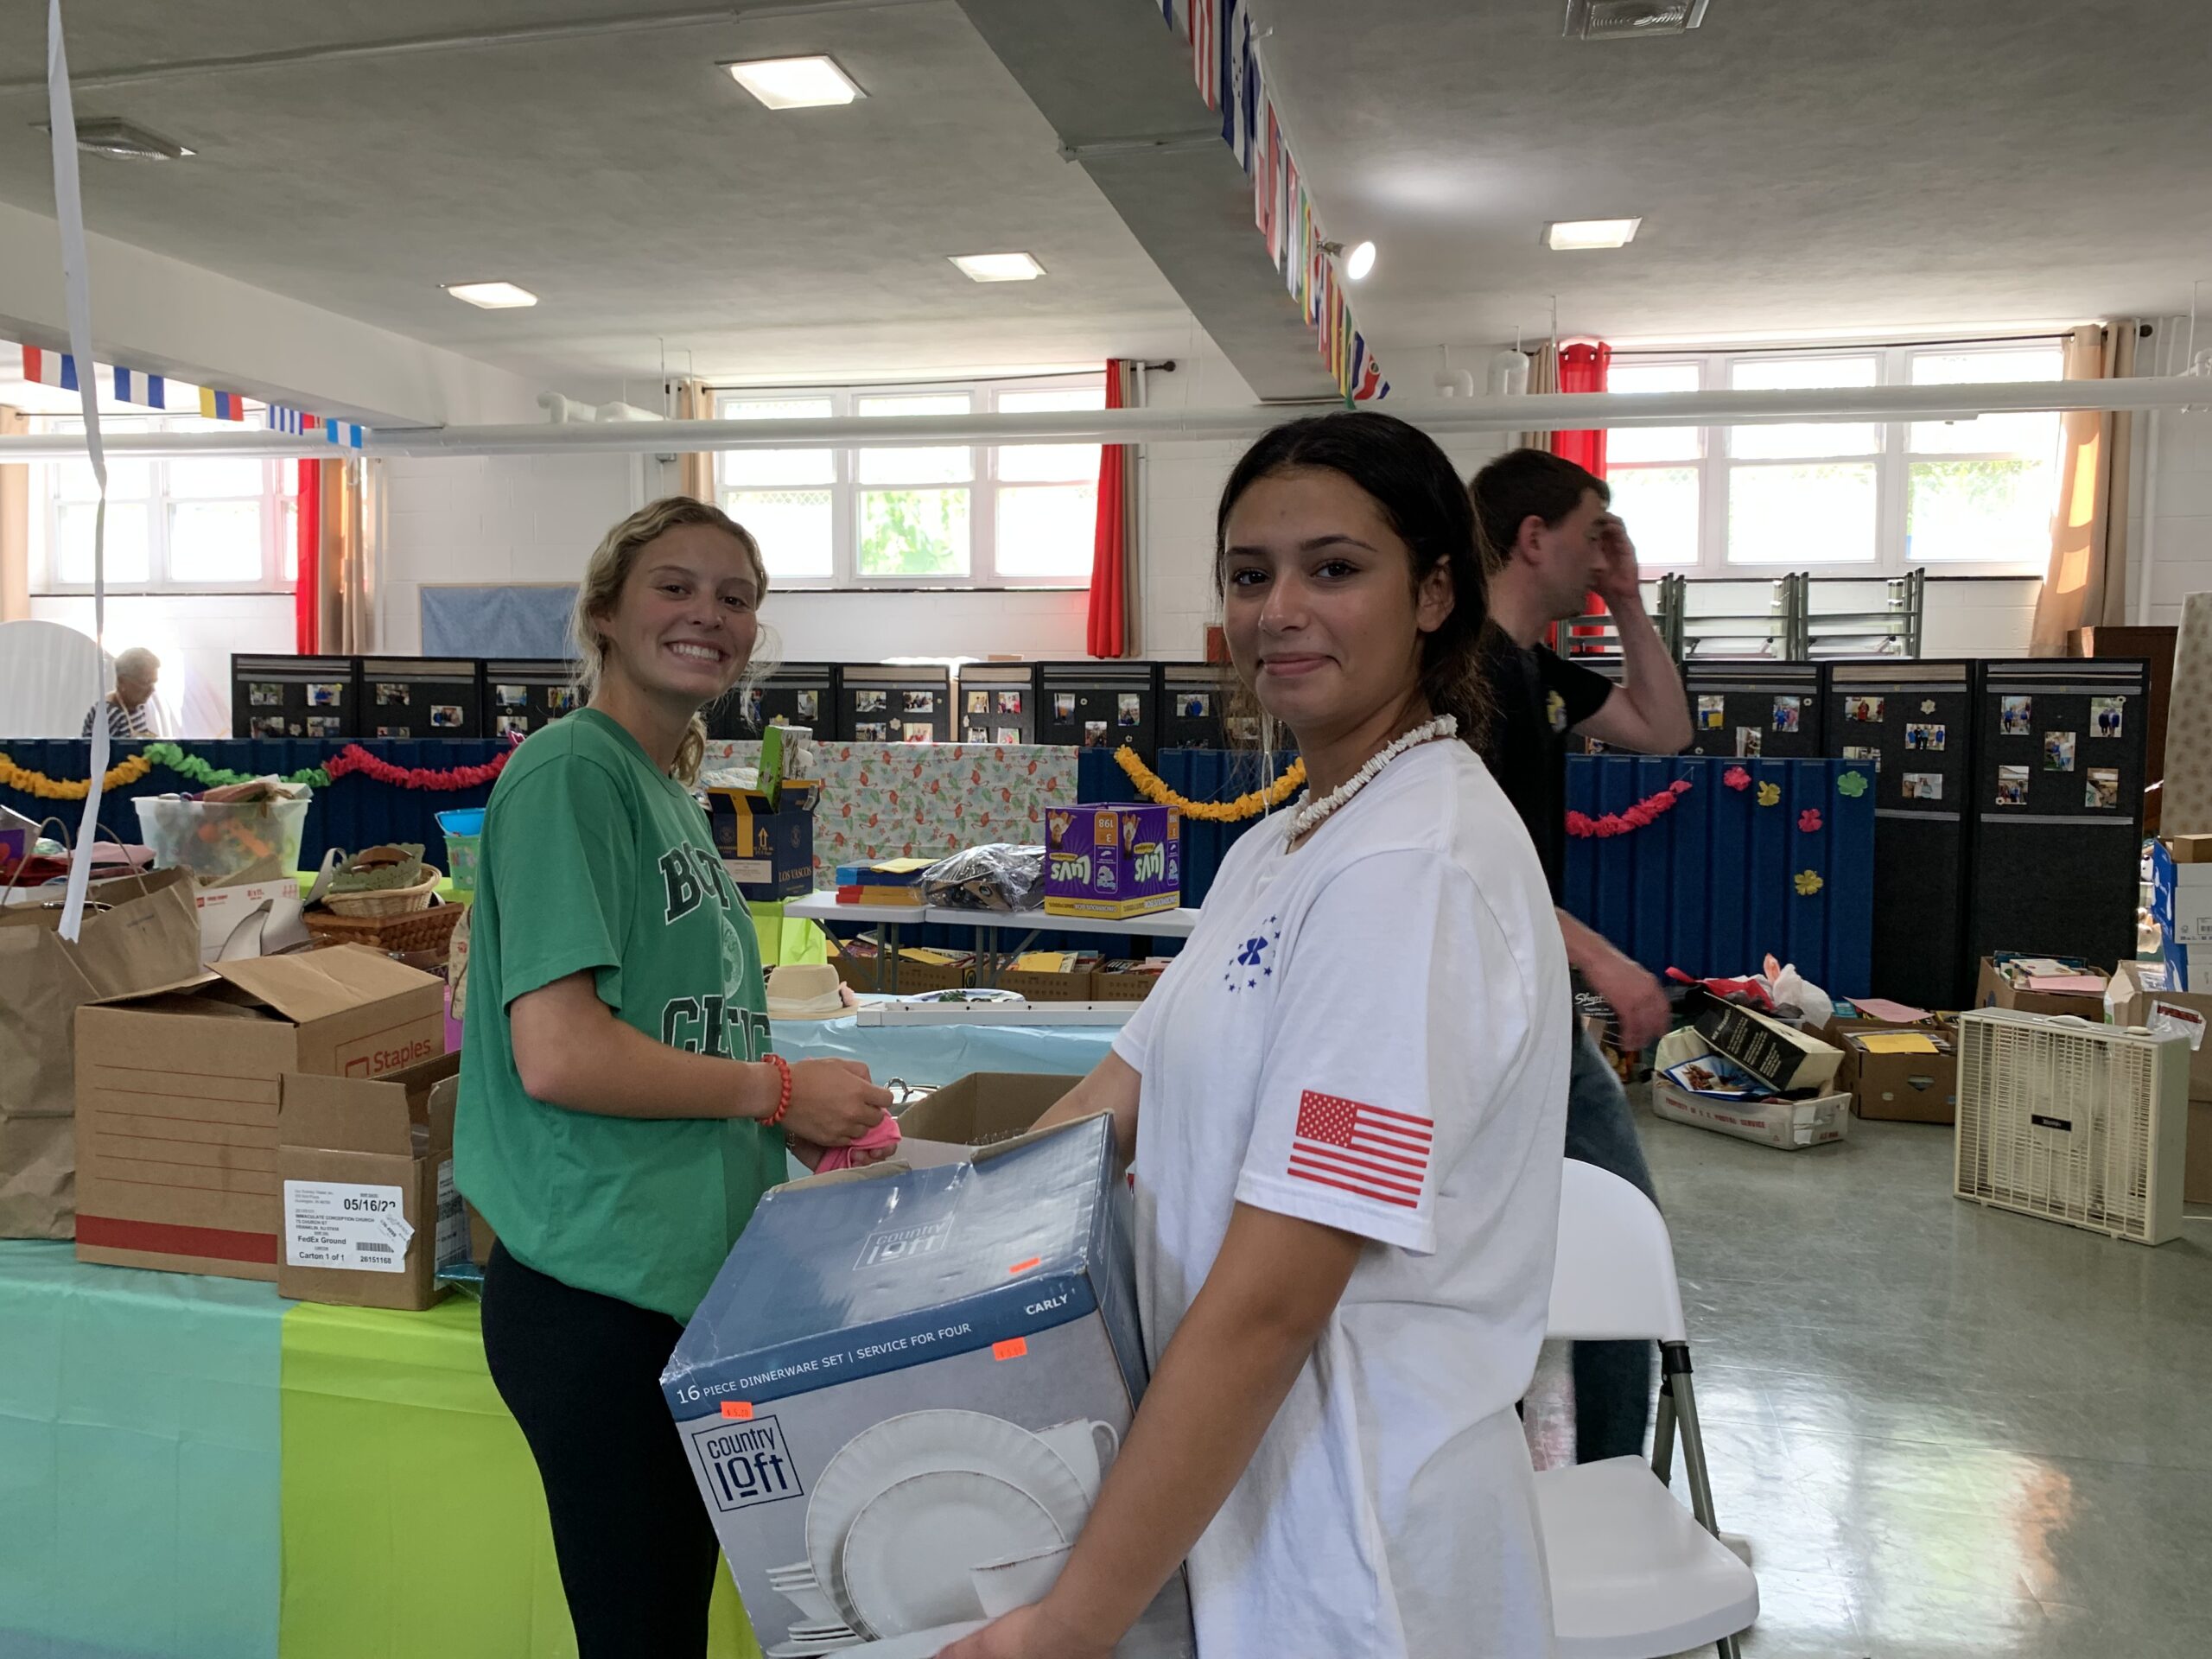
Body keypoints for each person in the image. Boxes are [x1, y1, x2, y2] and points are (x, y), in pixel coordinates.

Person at [942, 412, 1571, 1659]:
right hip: (1240, 1494)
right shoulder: (1285, 845)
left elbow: (1278, 1299)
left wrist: (1073, 1623)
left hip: (1358, 1540)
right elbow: (1116, 1095)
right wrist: (923, 1235)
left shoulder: (1411, 871)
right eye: (1248, 574)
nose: (1279, 610)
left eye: (1334, 569)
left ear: (1434, 592)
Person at [454, 496, 893, 1659]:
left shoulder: (663, 788)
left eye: (734, 597)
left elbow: (669, 1032)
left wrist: (783, 1109)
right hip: (597, 1291)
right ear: (604, 611)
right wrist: (779, 1094)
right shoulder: (570, 774)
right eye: (675, 586)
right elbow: (561, 1052)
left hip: (674, 1281)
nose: (708, 613)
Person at [1468, 447, 1694, 1465]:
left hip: (1532, 1018)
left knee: (1602, 1232)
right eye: (1590, 534)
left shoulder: (1537, 670)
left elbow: (1664, 729)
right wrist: (1600, 956)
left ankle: (1601, 1476)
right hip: (1482, 1022)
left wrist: (1628, 601)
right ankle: (1572, 1473)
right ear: (1533, 538)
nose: (1601, 554)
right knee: (1572, 1240)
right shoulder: (1462, 678)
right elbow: (1471, 863)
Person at [83, 645, 159, 739]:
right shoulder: (108, 714)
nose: (152, 689)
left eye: (153, 682)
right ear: (122, 681)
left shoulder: (138, 706)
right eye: (146, 683)